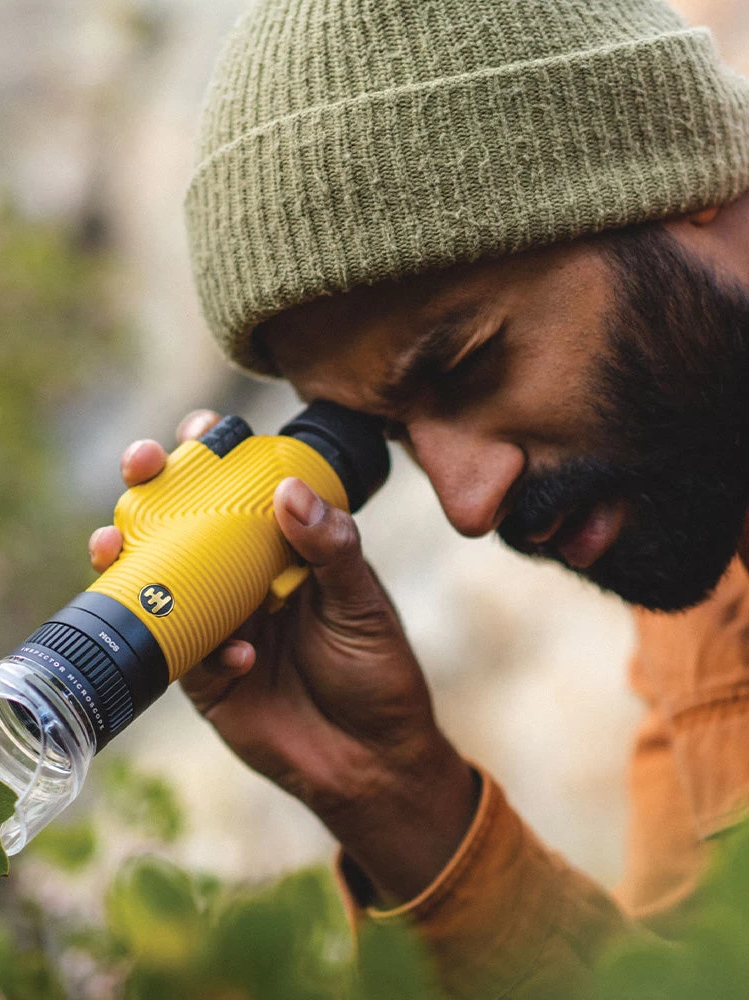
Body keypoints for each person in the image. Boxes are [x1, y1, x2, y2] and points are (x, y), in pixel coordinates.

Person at [89, 1, 749, 996]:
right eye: (389, 437)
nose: (468, 502)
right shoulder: (702, 544)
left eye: (472, 364)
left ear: (683, 175)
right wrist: (393, 790)